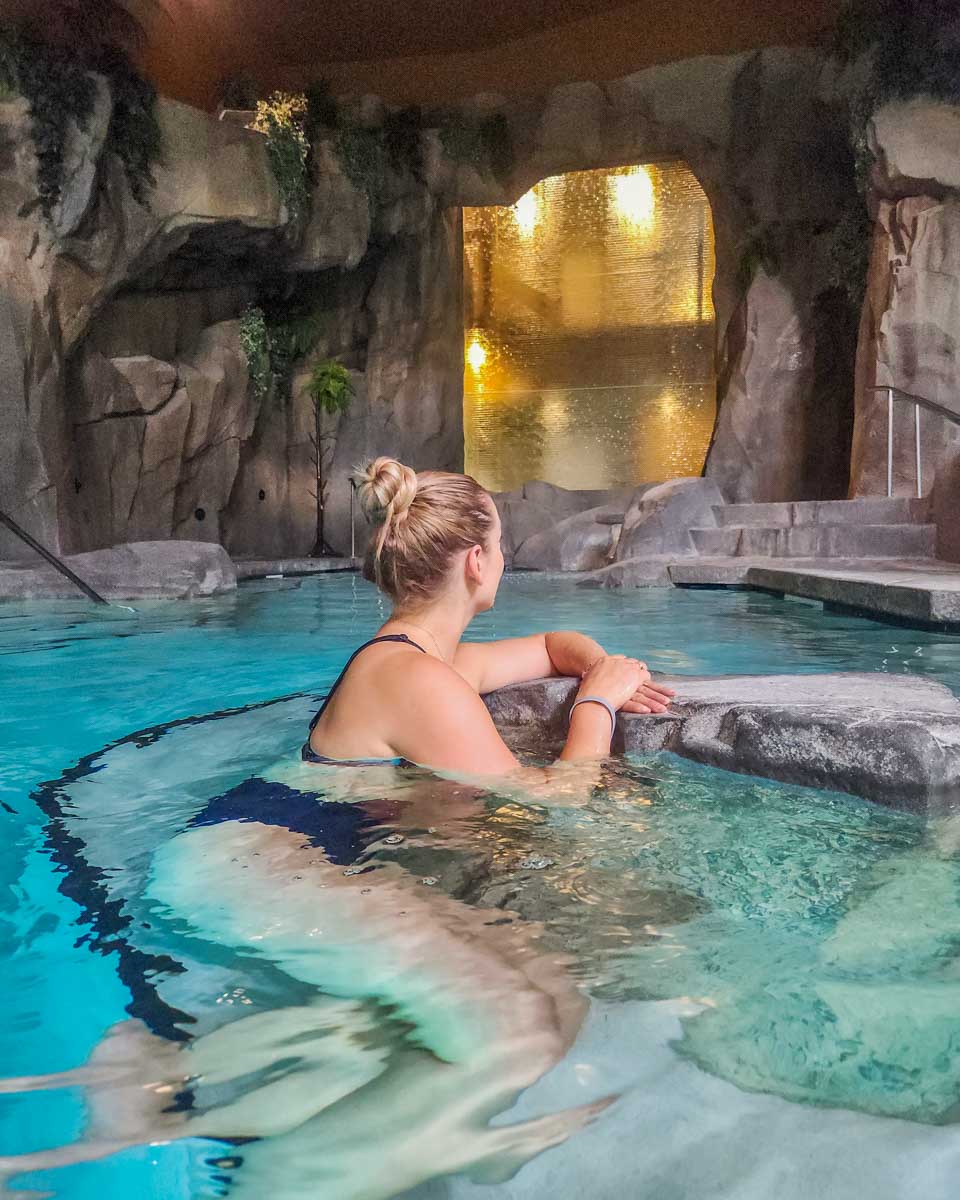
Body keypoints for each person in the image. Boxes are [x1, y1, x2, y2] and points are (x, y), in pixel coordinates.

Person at [306, 457, 675, 773]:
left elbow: (550, 646)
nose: (503, 559)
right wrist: (597, 704)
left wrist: (603, 670)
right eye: (497, 545)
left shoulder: (418, 661)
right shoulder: (418, 679)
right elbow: (562, 799)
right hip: (300, 855)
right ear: (476, 563)